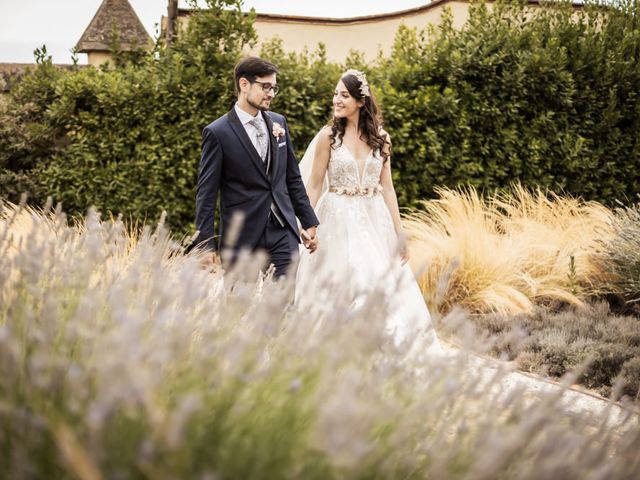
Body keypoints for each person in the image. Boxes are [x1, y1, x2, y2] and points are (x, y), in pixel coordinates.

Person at [296, 69, 441, 352]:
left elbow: (388, 188)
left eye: (344, 95)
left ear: (361, 102)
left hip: (374, 221)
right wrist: (308, 222)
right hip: (335, 217)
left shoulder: (382, 138)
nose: (336, 100)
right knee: (341, 285)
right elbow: (314, 185)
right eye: (336, 94)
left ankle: (382, 351)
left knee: (378, 284)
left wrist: (400, 233)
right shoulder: (328, 137)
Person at [194, 57, 319, 277]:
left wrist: (308, 220)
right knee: (239, 308)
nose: (271, 93)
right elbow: (206, 193)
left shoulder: (278, 122)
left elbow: (292, 178)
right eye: (265, 86)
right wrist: (204, 243)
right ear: (244, 85)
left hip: (282, 232)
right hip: (240, 237)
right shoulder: (217, 132)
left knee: (282, 306)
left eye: (274, 88)